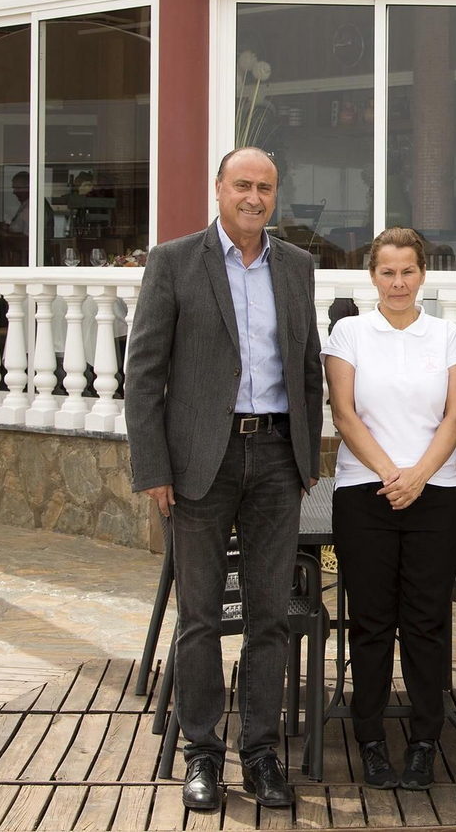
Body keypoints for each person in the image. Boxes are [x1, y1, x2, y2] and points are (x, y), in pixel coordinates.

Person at [124, 147, 323, 813]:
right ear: (218, 188)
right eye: (243, 184)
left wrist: (306, 458)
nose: (253, 197)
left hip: (276, 459)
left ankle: (262, 754)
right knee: (200, 617)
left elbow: (307, 365)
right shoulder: (174, 261)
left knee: (271, 616)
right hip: (198, 464)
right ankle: (202, 754)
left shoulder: (296, 266)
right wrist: (154, 467)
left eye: (265, 186)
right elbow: (143, 374)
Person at [321, 227, 456, 791]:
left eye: (408, 271)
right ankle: (371, 741)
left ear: (422, 275)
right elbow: (343, 414)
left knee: (427, 622)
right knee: (372, 622)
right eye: (388, 272)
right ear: (373, 276)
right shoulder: (350, 333)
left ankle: (425, 742)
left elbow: (455, 417)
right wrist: (392, 475)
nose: (399, 282)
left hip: (436, 495)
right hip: (366, 492)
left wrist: (419, 476)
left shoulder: (447, 334)